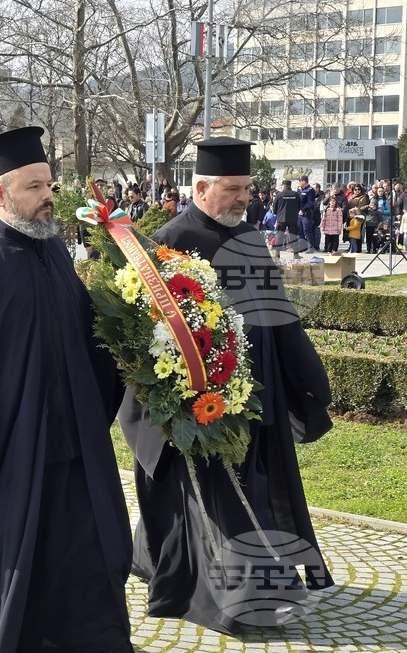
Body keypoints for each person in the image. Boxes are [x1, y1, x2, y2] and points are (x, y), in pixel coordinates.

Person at [0, 127, 133, 653]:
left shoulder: (54, 250)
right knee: (6, 562)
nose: (48, 198)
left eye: (50, 185)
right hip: (11, 447)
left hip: (75, 444)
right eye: (35, 187)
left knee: (86, 552)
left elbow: (86, 336)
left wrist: (137, 355)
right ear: (0, 194)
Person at [120, 136, 333, 636]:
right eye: (234, 189)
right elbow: (144, 334)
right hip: (199, 405)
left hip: (257, 394)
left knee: (244, 487)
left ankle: (160, 561)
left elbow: (279, 317)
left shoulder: (253, 237)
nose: (244, 198)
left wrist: (308, 378)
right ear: (201, 187)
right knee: (218, 496)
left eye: (248, 189)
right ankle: (247, 599)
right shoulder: (169, 242)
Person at [272, 179, 300, 253]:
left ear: (284, 186)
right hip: (293, 218)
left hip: (281, 218)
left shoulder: (279, 195)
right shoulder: (296, 194)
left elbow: (274, 207)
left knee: (279, 236)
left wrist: (277, 214)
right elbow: (299, 206)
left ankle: (277, 253)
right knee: (293, 236)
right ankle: (296, 253)